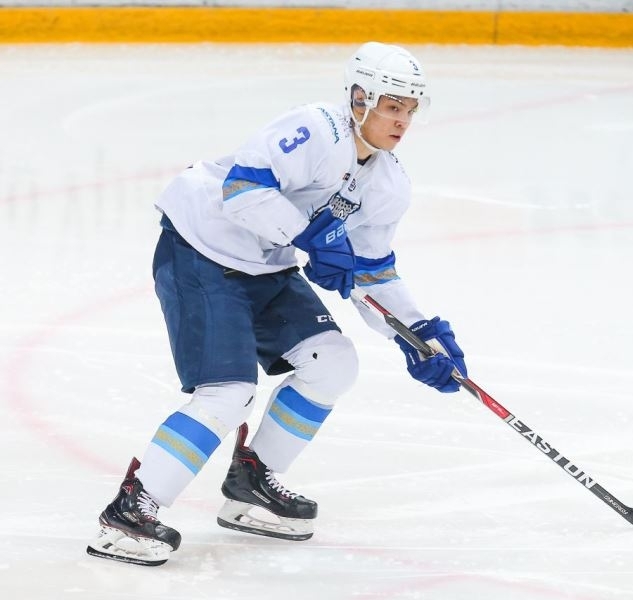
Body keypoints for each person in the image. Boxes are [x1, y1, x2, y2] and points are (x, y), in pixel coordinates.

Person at [86, 41, 469, 567]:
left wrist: (419, 334)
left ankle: (251, 480)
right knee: (229, 393)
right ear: (360, 98)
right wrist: (310, 237)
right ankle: (131, 509)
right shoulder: (316, 128)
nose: (403, 120)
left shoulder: (387, 183)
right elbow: (243, 189)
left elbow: (373, 271)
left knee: (334, 363)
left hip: (265, 266)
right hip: (201, 248)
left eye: (410, 109)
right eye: (392, 106)